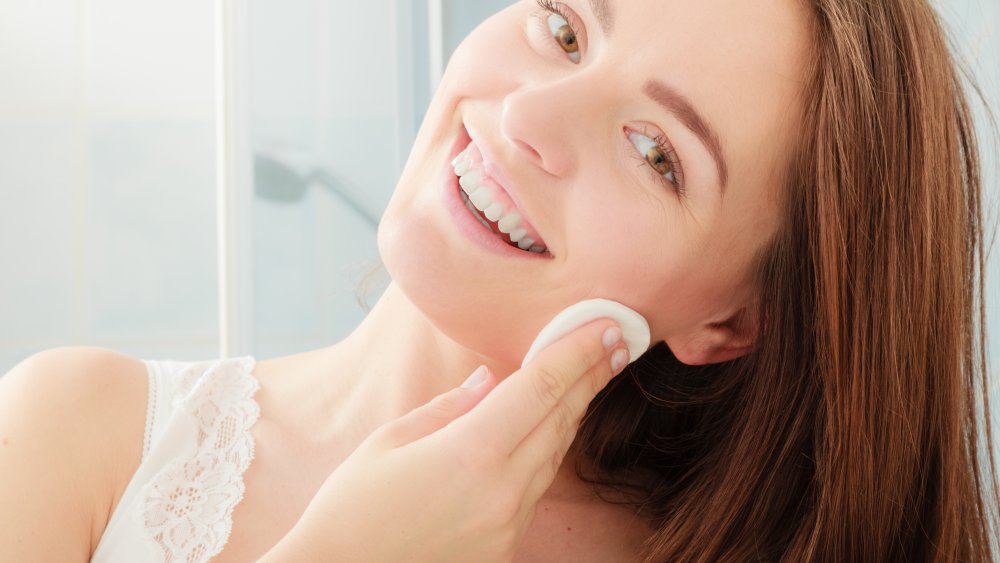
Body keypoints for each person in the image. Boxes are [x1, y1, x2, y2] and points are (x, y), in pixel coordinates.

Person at [1, 0, 996, 560]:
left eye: (655, 152)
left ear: (731, 317)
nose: (530, 117)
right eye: (566, 30)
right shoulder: (77, 430)